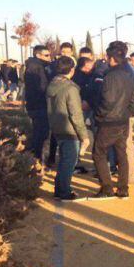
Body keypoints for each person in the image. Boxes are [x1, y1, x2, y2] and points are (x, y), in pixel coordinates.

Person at [89, 41, 134, 199]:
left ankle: (107, 188)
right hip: (123, 121)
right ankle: (123, 189)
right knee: (121, 153)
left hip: (108, 121)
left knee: (98, 153)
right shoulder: (128, 75)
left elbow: (107, 101)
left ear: (111, 58)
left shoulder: (109, 76)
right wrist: (126, 114)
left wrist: (99, 115)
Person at [46, 56, 89, 201]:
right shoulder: (70, 88)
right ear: (72, 70)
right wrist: (84, 136)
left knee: (64, 160)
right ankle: (64, 192)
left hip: (57, 127)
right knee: (69, 161)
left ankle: (60, 189)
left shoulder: (52, 84)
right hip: (69, 129)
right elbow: (76, 114)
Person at [24, 45, 52, 162]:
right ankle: (37, 160)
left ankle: (36, 158)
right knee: (41, 134)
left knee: (38, 132)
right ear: (38, 55)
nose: (49, 58)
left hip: (34, 105)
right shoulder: (37, 67)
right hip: (39, 105)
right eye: (46, 55)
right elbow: (42, 87)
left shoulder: (35, 65)